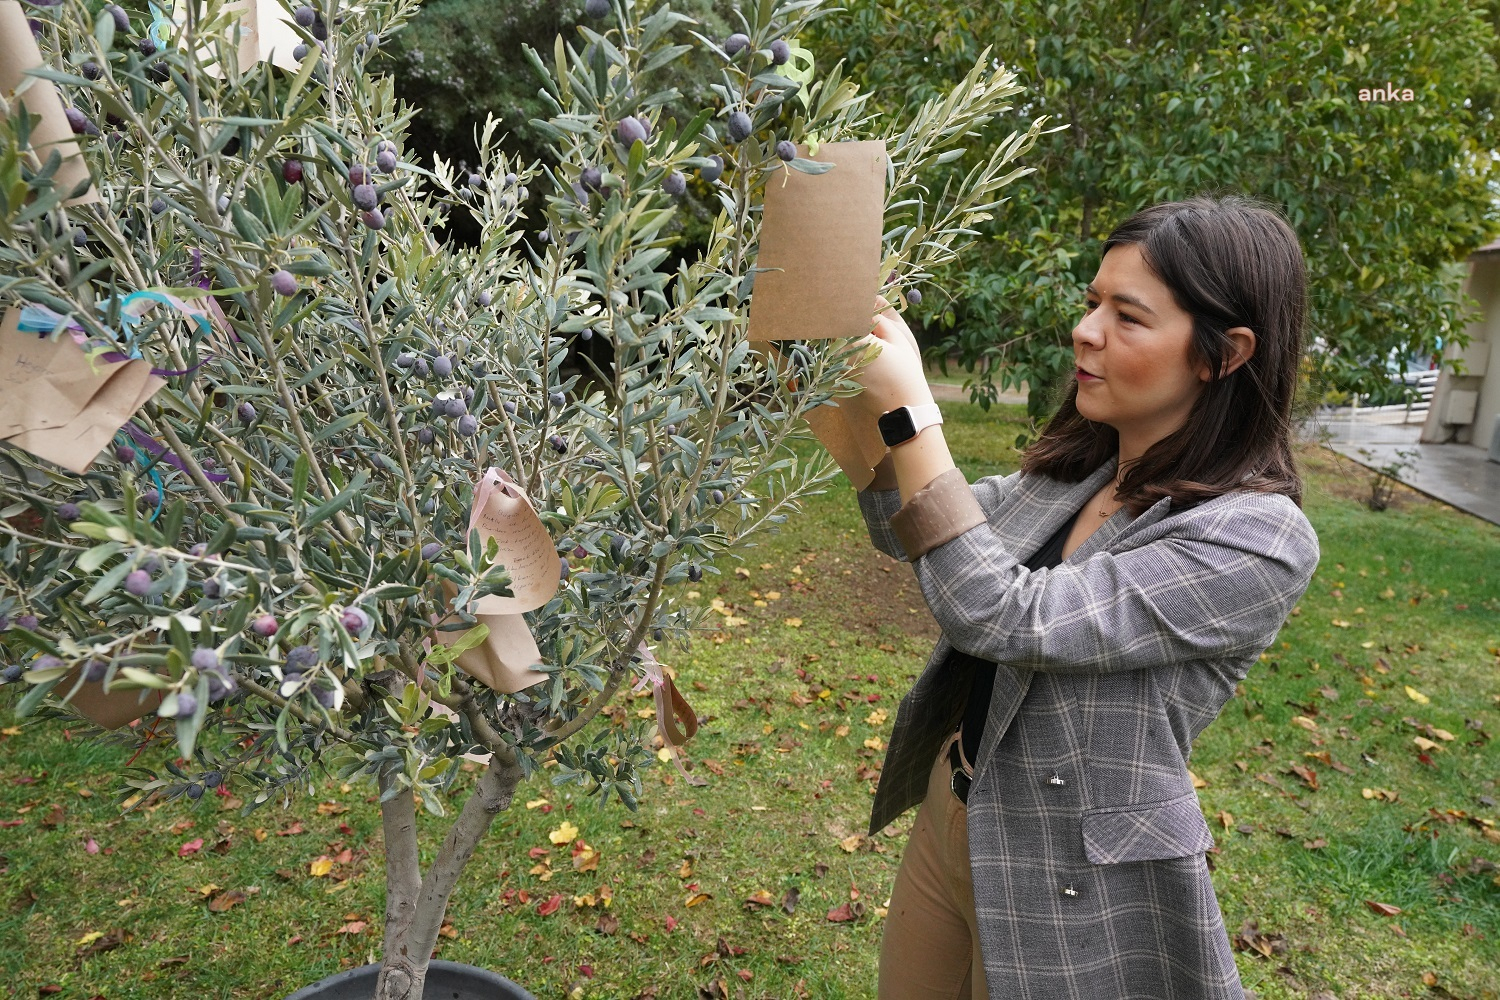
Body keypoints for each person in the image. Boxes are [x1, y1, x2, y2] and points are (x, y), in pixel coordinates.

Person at [842, 194, 1322, 999]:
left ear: (1225, 353)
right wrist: (832, 375)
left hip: (1068, 869)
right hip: (955, 807)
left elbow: (1002, 614)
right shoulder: (1080, 475)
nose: (1086, 330)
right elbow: (910, 526)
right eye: (1092, 302)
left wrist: (913, 412)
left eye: (1127, 317)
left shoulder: (1256, 538)